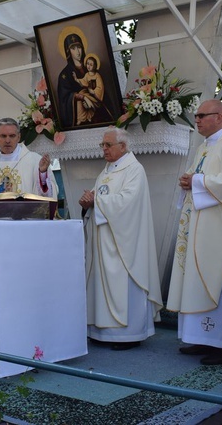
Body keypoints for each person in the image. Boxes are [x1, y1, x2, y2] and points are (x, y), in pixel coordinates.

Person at [167, 99, 222, 365]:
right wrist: (188, 181)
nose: (198, 120)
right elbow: (198, 178)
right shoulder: (203, 148)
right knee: (197, 281)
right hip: (200, 228)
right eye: (197, 116)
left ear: (220, 117)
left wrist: (197, 182)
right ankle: (202, 339)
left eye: (203, 115)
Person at [78, 127, 162, 350]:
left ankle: (128, 335)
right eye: (102, 145)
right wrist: (88, 203)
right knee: (100, 283)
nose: (104, 149)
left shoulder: (135, 170)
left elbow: (129, 202)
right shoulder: (105, 171)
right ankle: (101, 332)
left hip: (125, 242)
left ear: (123, 146)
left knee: (123, 283)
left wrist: (97, 201)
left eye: (108, 145)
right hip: (103, 240)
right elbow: (100, 198)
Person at [0, 118, 57, 197]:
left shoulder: (35, 161)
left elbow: (48, 195)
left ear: (18, 137)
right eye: (3, 136)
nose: (7, 140)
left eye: (12, 136)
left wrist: (42, 173)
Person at [56, 32, 88, 129]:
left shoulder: (90, 68)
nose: (78, 51)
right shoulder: (64, 74)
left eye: (79, 47)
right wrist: (78, 96)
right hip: (78, 117)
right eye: (73, 48)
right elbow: (64, 98)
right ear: (68, 51)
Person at [73, 54, 114, 126]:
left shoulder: (97, 75)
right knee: (80, 97)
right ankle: (81, 118)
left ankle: (89, 114)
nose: (88, 66)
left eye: (91, 64)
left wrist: (94, 92)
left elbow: (100, 88)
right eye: (88, 64)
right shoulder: (87, 74)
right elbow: (83, 81)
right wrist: (77, 79)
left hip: (95, 96)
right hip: (88, 93)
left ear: (95, 66)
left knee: (84, 97)